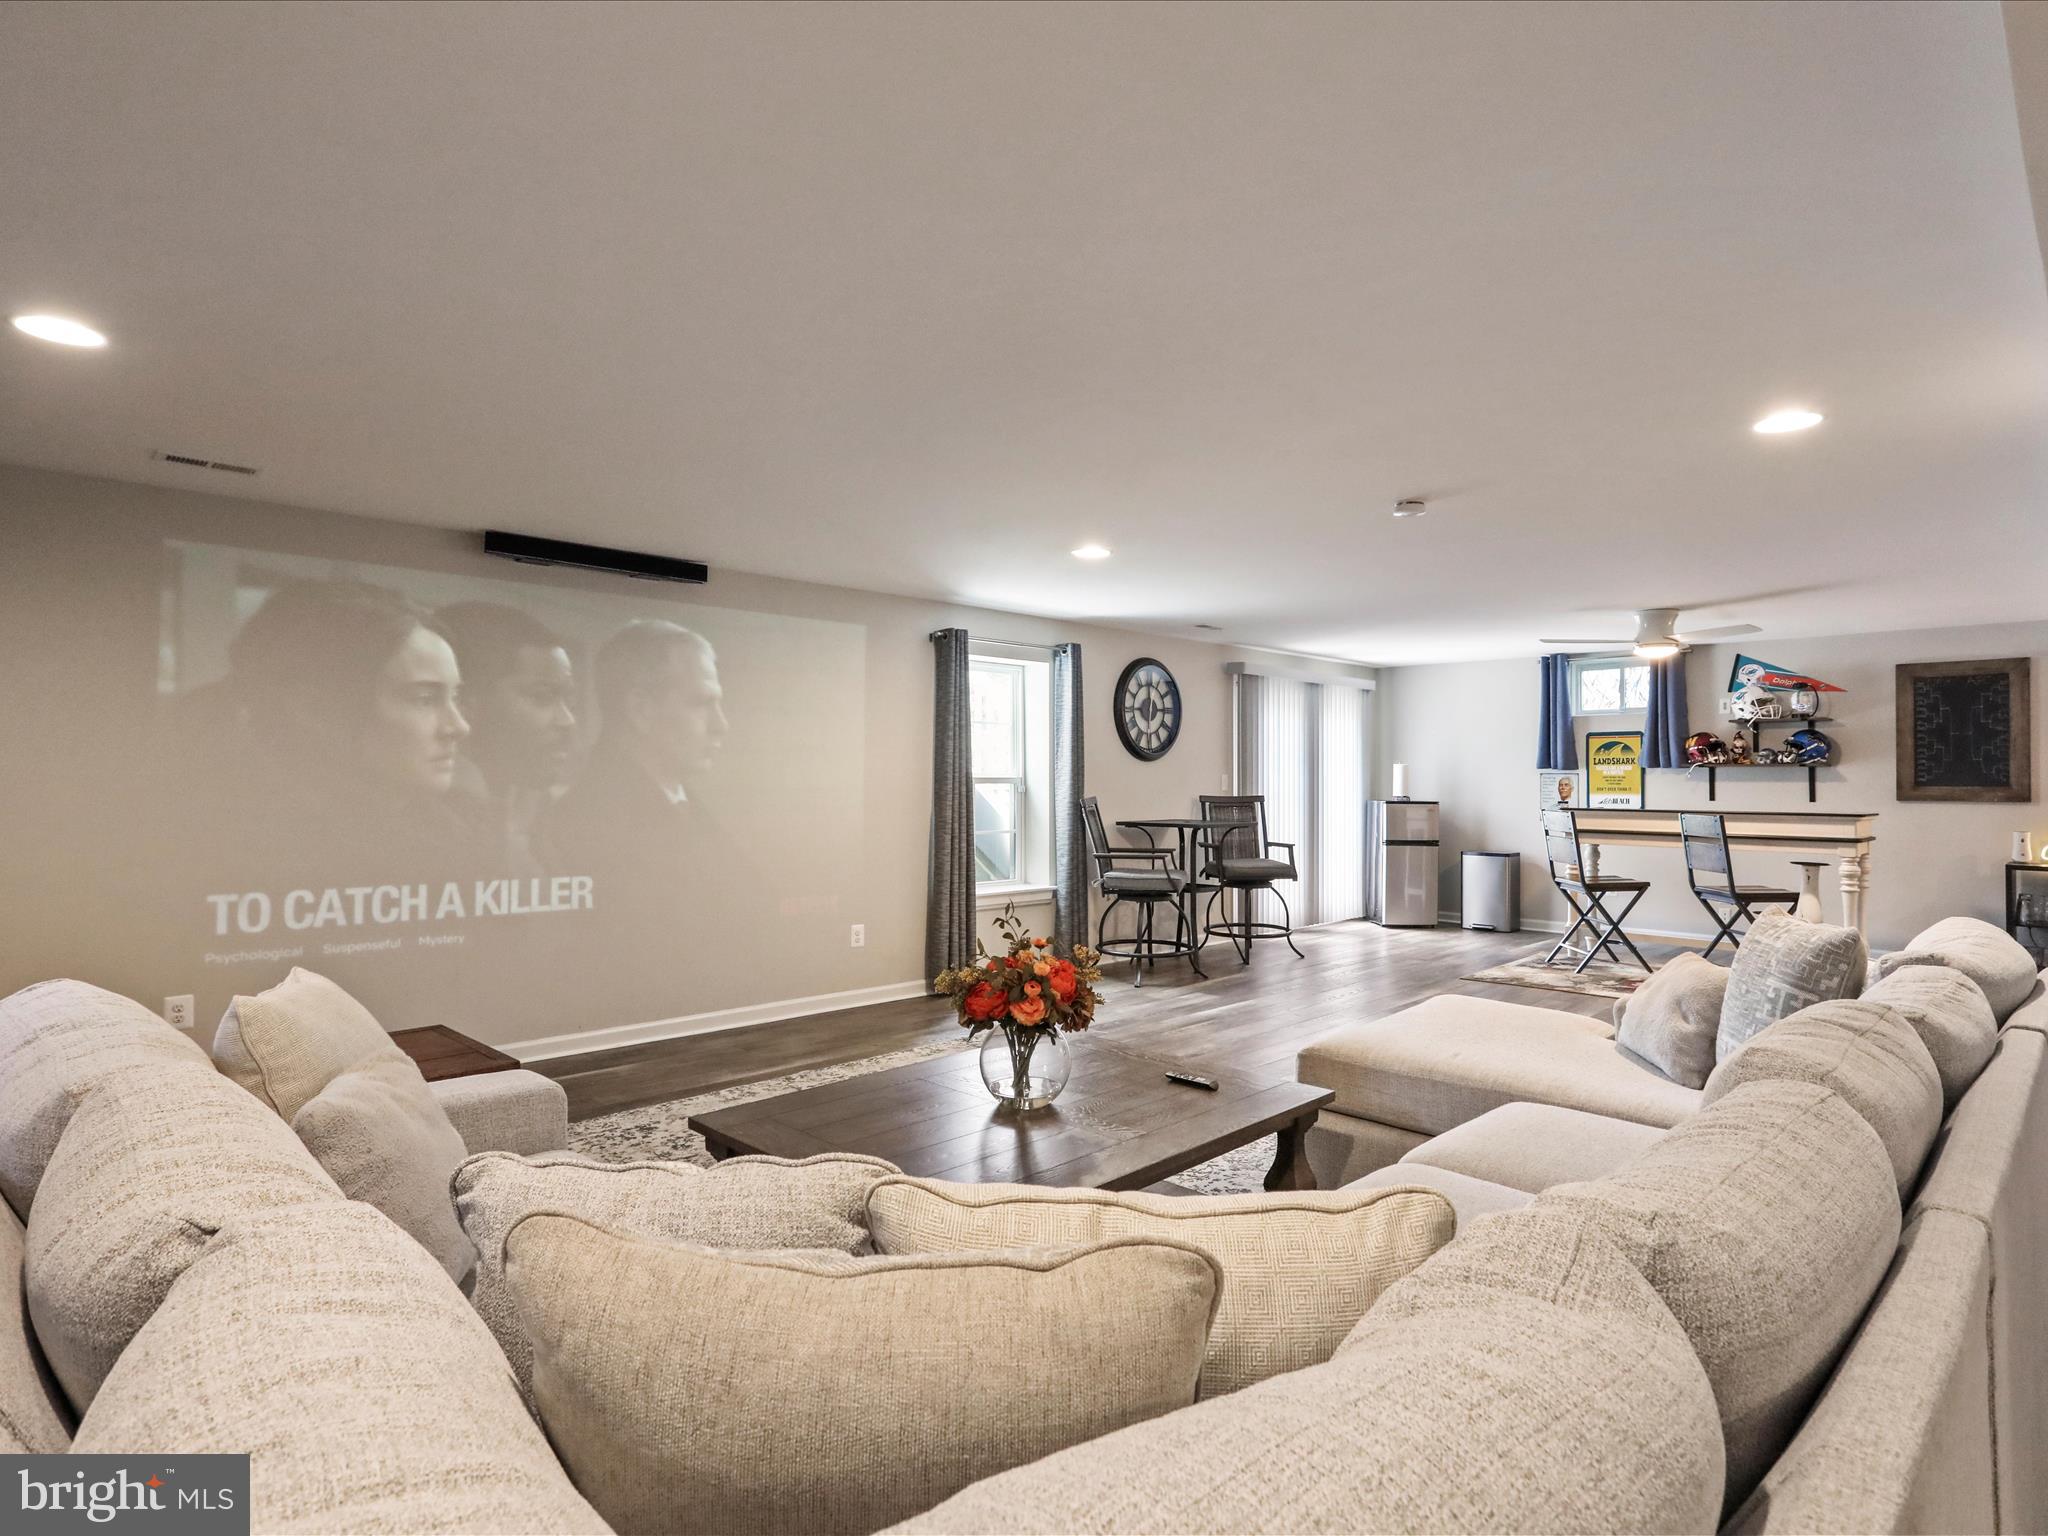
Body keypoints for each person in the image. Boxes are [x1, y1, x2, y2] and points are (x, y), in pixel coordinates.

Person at [207, 578, 483, 880]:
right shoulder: (246, 852)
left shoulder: (460, 830)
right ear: (313, 709)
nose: (459, 727)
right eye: (424, 699)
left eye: (455, 696)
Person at [543, 619, 727, 890]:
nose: (721, 725)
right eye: (701, 703)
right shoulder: (582, 828)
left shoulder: (688, 807)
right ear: (641, 709)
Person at [434, 601, 577, 875]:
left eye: (570, 699)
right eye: (541, 697)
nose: (567, 721)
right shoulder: (430, 835)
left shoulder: (543, 820)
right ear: (465, 702)